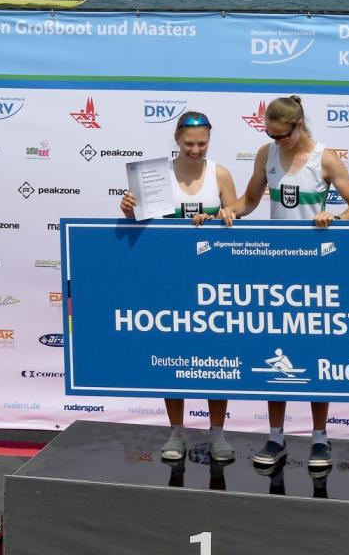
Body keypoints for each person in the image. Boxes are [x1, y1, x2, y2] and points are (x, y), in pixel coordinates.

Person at [223, 95, 349, 475]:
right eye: (270, 135)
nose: (277, 141)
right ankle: (276, 435)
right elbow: (249, 200)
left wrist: (334, 218)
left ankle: (320, 437)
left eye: (282, 135)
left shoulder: (325, 158)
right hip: (277, 268)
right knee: (277, 353)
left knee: (317, 353)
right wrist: (229, 211)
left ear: (298, 124)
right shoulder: (266, 154)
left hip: (316, 270)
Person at [119, 112, 240, 464]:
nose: (196, 149)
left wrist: (220, 216)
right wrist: (127, 209)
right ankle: (176, 431)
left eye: (202, 143)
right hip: (168, 278)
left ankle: (217, 432)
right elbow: (139, 221)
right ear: (176, 139)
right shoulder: (155, 175)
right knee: (173, 355)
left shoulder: (220, 173)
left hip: (213, 281)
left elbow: (235, 215)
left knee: (217, 359)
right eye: (189, 143)